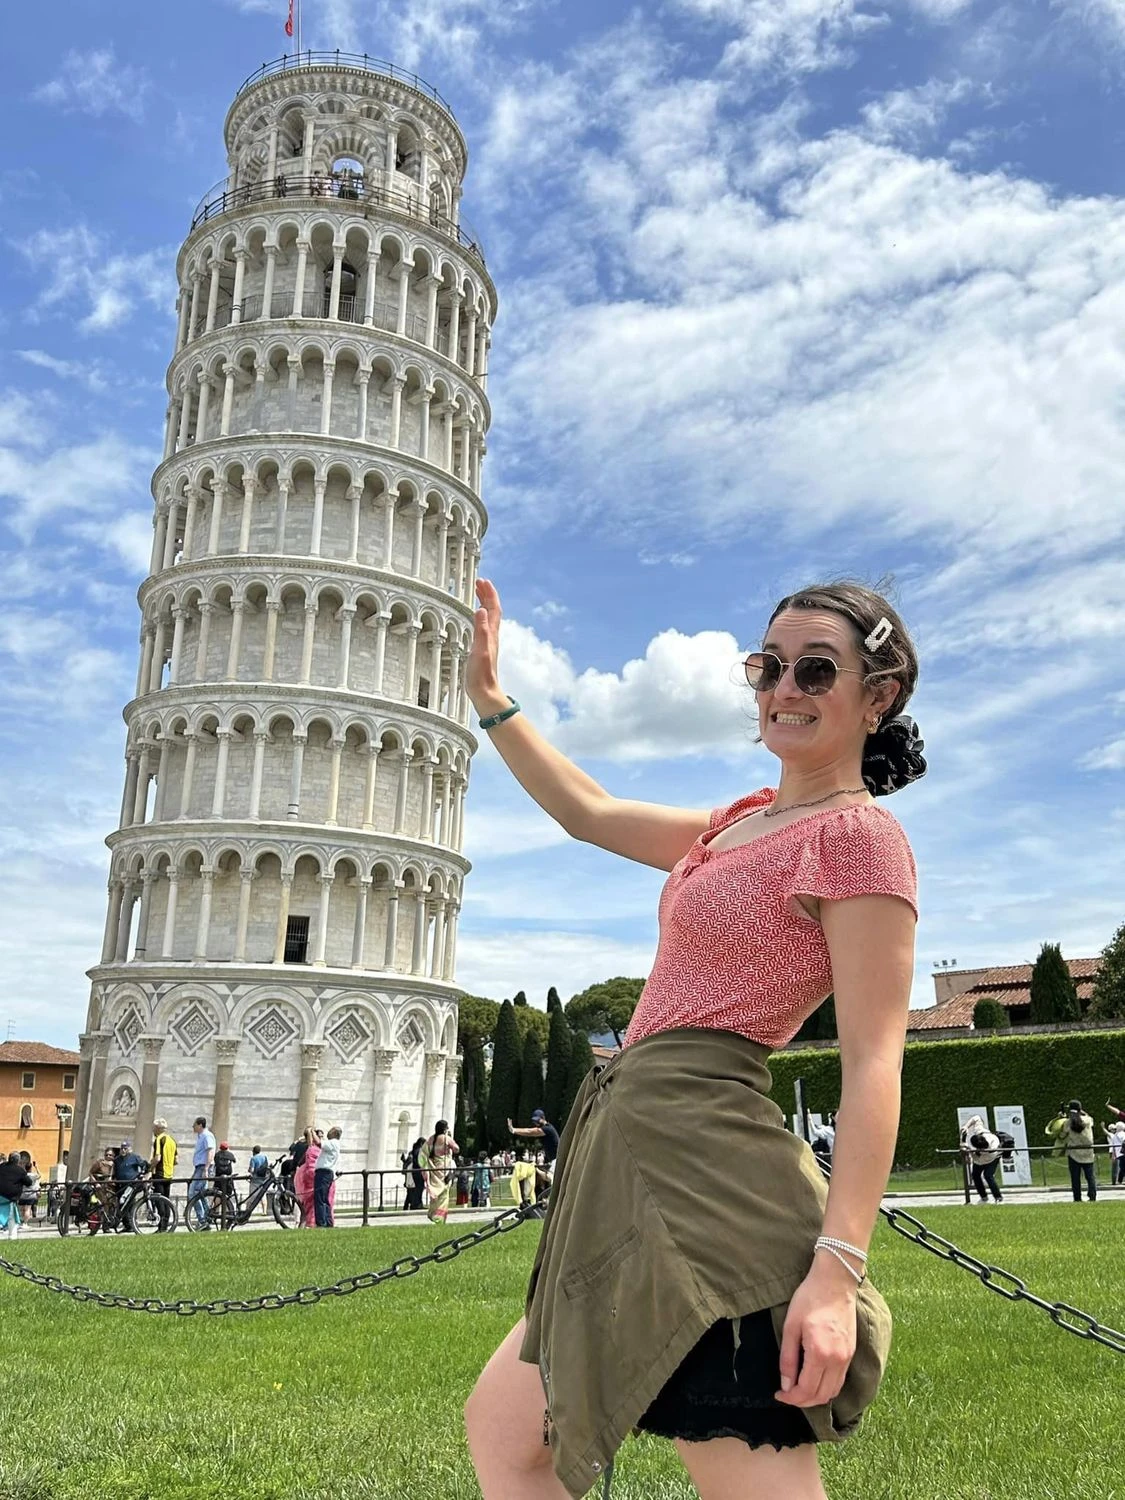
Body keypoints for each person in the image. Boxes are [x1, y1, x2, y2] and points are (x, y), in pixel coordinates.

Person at [463, 578, 923, 1500]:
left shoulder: (859, 840)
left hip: (715, 1182)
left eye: (816, 670)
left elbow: (873, 1063)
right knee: (508, 1435)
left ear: (878, 696)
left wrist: (835, 1273)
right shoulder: (736, 824)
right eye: (769, 666)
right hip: (629, 1149)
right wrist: (490, 699)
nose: (784, 688)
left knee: (742, 1470)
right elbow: (586, 812)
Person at [1047, 1100, 1098, 1201]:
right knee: (1090, 1176)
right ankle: (1092, 1196)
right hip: (1088, 1151)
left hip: (1074, 1152)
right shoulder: (1087, 1120)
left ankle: (1077, 1198)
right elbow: (1089, 1117)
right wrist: (1081, 1111)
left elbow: (1061, 1135)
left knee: (1075, 1178)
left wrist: (1061, 1118)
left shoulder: (1068, 1122)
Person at [508, 1110, 560, 1197]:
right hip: (555, 1159)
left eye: (538, 1120)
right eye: (534, 1121)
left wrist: (514, 1130)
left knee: (551, 1178)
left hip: (557, 1159)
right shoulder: (547, 1128)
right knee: (551, 1178)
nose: (536, 1122)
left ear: (543, 1118)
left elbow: (530, 1131)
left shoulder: (547, 1129)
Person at [418, 1118, 459, 1223]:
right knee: (444, 1194)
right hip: (444, 1169)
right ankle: (439, 1217)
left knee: (435, 1193)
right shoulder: (446, 1138)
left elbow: (422, 1154)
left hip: (433, 1170)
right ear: (445, 1129)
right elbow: (456, 1148)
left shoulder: (431, 1139)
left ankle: (432, 1213)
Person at [959, 1115, 1003, 1204]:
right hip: (981, 1157)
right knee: (975, 1175)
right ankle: (984, 1197)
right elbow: (976, 1118)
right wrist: (966, 1127)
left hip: (993, 1157)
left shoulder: (991, 1149)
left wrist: (968, 1151)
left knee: (988, 1175)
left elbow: (978, 1160)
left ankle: (998, 1198)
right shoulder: (981, 1132)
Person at [189, 1116, 216, 1228]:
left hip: (203, 1167)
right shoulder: (201, 1136)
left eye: (194, 1125)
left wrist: (206, 1168)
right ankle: (207, 1218)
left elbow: (211, 1151)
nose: (193, 1127)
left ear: (200, 1125)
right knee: (201, 1193)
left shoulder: (206, 1135)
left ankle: (202, 1219)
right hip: (199, 1167)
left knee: (193, 1193)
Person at [314, 1126, 342, 1228]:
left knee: (320, 1198)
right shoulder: (334, 1144)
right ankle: (328, 1221)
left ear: (335, 1133)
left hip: (323, 1173)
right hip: (327, 1173)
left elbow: (318, 1143)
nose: (328, 1132)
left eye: (331, 1130)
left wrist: (312, 1132)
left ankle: (321, 1222)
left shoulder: (333, 1142)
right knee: (324, 1198)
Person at [294, 1127, 322, 1227]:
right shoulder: (313, 1148)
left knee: (301, 1203)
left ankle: (300, 1223)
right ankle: (310, 1223)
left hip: (300, 1175)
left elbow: (295, 1159)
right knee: (311, 1203)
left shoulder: (299, 1145)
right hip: (309, 1175)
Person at [0, 1152, 32, 1240]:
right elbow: (29, 1182)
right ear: (18, 1160)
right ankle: (12, 1236)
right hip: (9, 1198)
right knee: (12, 1217)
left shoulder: (1, 1167)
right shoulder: (20, 1171)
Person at [151, 1119, 177, 1205]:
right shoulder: (172, 1140)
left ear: (158, 1128)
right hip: (169, 1174)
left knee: (159, 1199)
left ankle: (162, 1218)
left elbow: (157, 1158)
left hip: (160, 1173)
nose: (153, 1130)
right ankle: (167, 1218)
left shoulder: (159, 1139)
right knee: (166, 1199)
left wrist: (150, 1168)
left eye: (154, 1128)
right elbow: (176, 1160)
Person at [403, 1138, 426, 1210]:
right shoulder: (419, 1151)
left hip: (416, 1172)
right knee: (419, 1188)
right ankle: (416, 1204)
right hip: (418, 1172)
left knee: (417, 1189)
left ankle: (417, 1204)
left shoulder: (415, 1150)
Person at [17, 1152, 40, 1222]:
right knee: (27, 1209)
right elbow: (40, 1175)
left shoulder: (22, 1175)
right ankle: (25, 1223)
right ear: (30, 1168)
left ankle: (20, 1221)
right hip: (30, 1195)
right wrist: (36, 1167)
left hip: (22, 1194)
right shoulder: (34, 1176)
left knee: (21, 1209)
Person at [1102, 1119, 1125, 1186]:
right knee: (1121, 1167)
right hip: (1121, 1153)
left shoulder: (1114, 1135)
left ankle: (1118, 1181)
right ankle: (1118, 1180)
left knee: (1121, 1167)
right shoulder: (1119, 1134)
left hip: (1118, 1153)